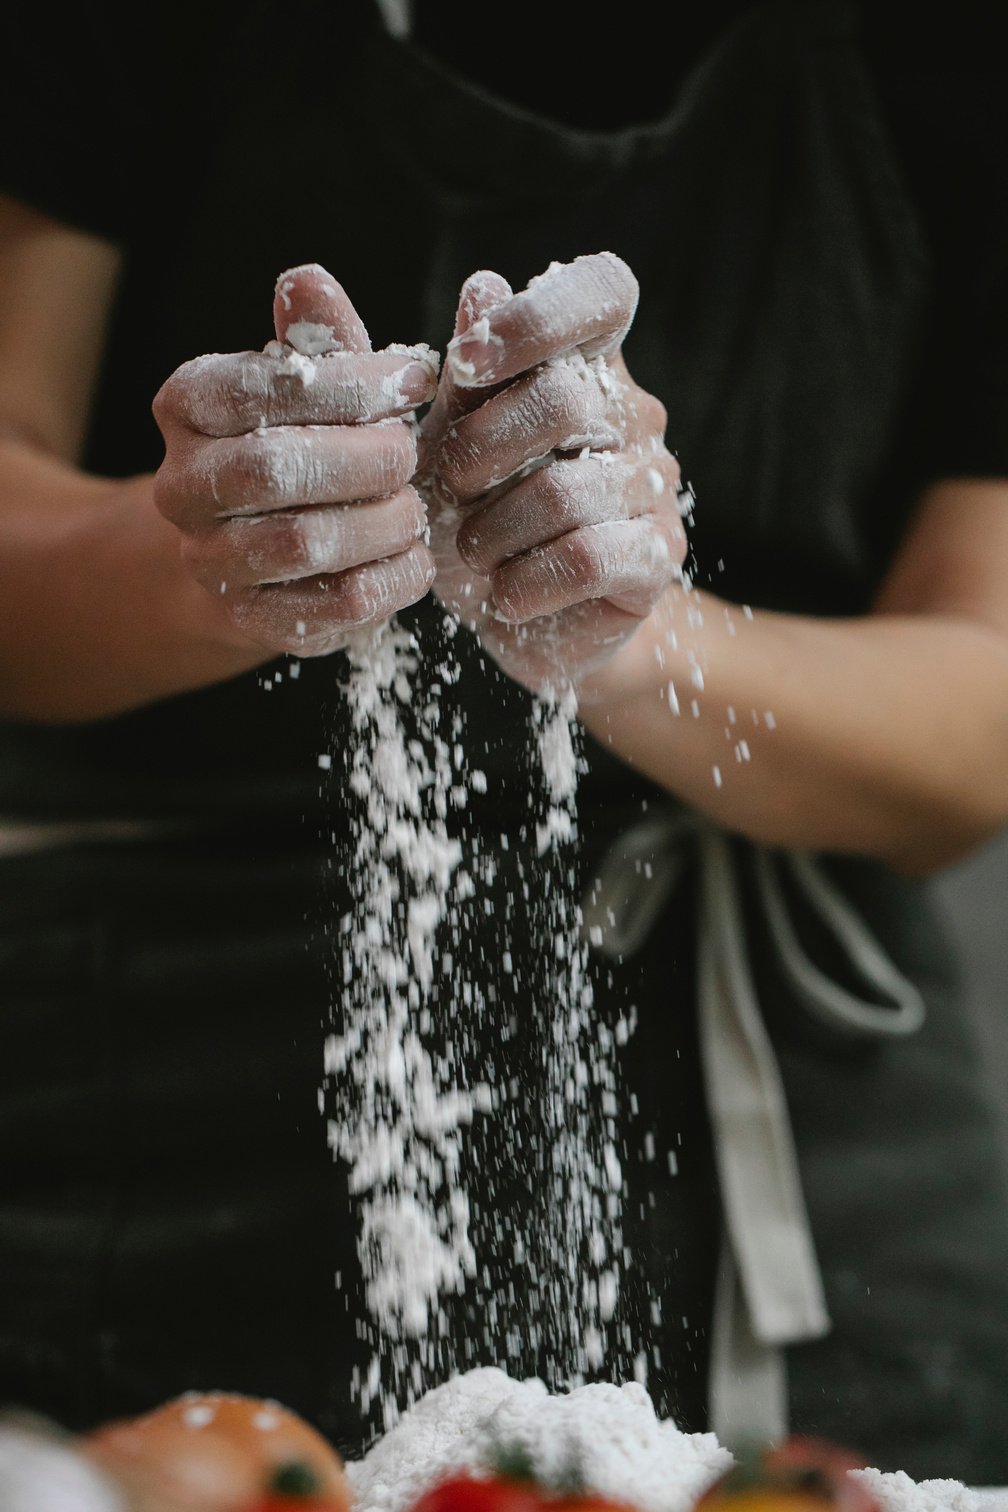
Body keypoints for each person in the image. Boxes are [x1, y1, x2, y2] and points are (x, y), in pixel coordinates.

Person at [1, 0, 1008, 1485]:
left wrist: (636, 632)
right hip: (166, 1108)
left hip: (807, 1149)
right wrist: (205, 552)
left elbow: (975, 735)